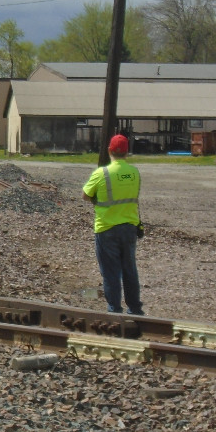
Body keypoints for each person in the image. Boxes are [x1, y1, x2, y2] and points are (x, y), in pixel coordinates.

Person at [82, 134, 144, 315]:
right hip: (129, 228)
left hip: (106, 227)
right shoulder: (134, 173)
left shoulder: (101, 174)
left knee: (110, 272)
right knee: (129, 269)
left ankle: (114, 310)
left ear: (109, 150)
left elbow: (85, 195)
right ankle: (135, 309)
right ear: (127, 151)